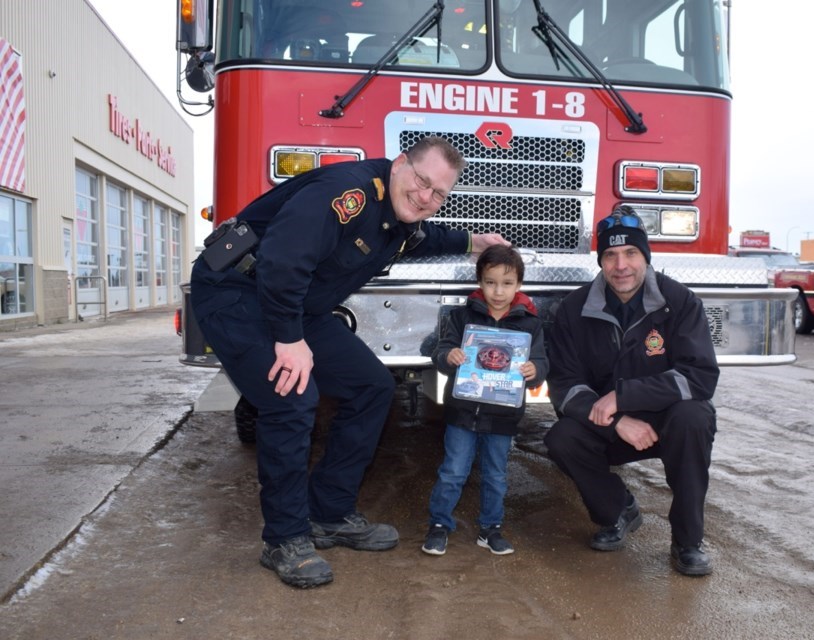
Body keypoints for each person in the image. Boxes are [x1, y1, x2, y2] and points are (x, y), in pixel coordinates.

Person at [190, 136, 508, 588]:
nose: (425, 197)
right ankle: (285, 539)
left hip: (295, 304)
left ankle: (330, 514)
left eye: (439, 194)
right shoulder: (347, 192)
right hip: (238, 293)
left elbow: (420, 237)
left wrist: (471, 241)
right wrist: (289, 338)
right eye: (421, 182)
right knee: (292, 397)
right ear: (399, 165)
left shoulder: (395, 213)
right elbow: (282, 261)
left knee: (371, 387)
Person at [543, 206, 719, 576]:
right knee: (561, 438)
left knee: (695, 417)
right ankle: (617, 510)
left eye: (631, 253)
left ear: (645, 256)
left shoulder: (680, 302)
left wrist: (625, 397)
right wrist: (618, 420)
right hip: (609, 426)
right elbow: (564, 388)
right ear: (601, 261)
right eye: (610, 255)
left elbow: (700, 377)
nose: (621, 265)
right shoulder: (573, 310)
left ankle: (688, 542)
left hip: (666, 421)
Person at [421, 245, 548, 557]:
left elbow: (542, 362)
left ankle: (491, 528)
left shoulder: (530, 324)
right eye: (490, 282)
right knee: (453, 470)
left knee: (495, 474)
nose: (498, 291)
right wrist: (448, 356)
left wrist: (535, 371)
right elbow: (440, 351)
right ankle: (439, 524)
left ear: (519, 285)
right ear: (480, 281)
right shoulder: (462, 316)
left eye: (507, 284)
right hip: (462, 411)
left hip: (503, 416)